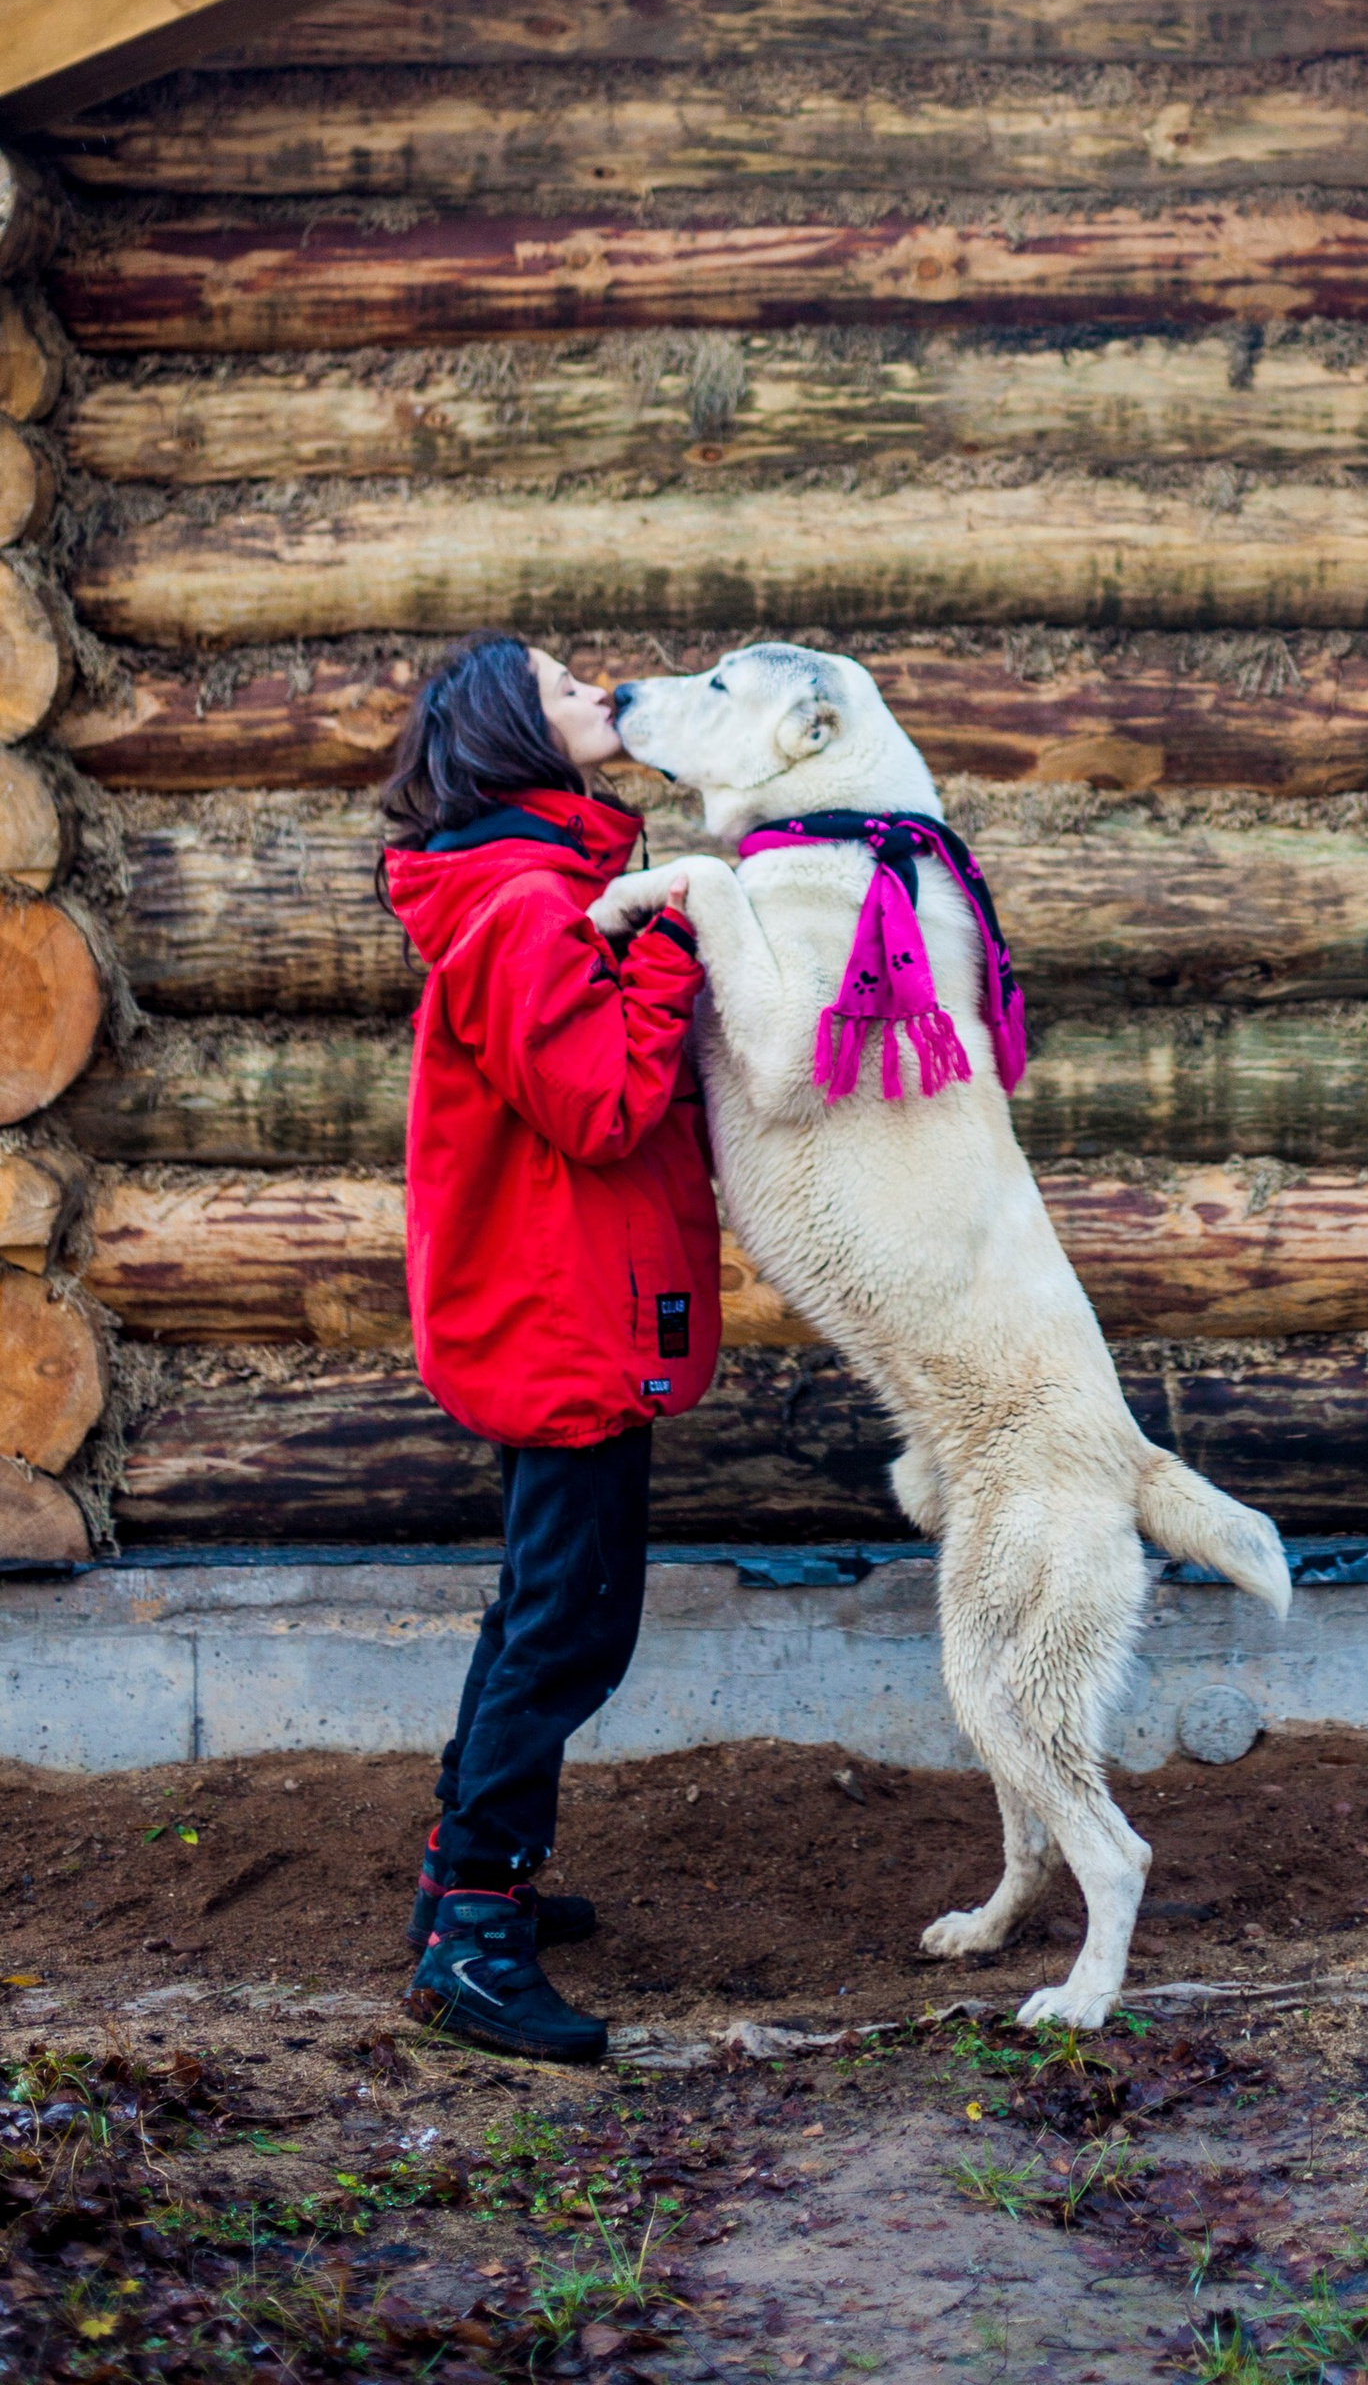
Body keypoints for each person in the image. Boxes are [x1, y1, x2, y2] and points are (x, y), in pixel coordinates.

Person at [379, 636, 719, 2064]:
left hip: (568, 1298)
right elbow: (602, 1105)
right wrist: (679, 935)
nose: (606, 692)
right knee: (567, 1626)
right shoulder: (525, 906)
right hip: (558, 1314)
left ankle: (466, 1875)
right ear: (522, 735)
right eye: (571, 685)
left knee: (546, 1608)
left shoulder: (548, 884)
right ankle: (471, 1932)